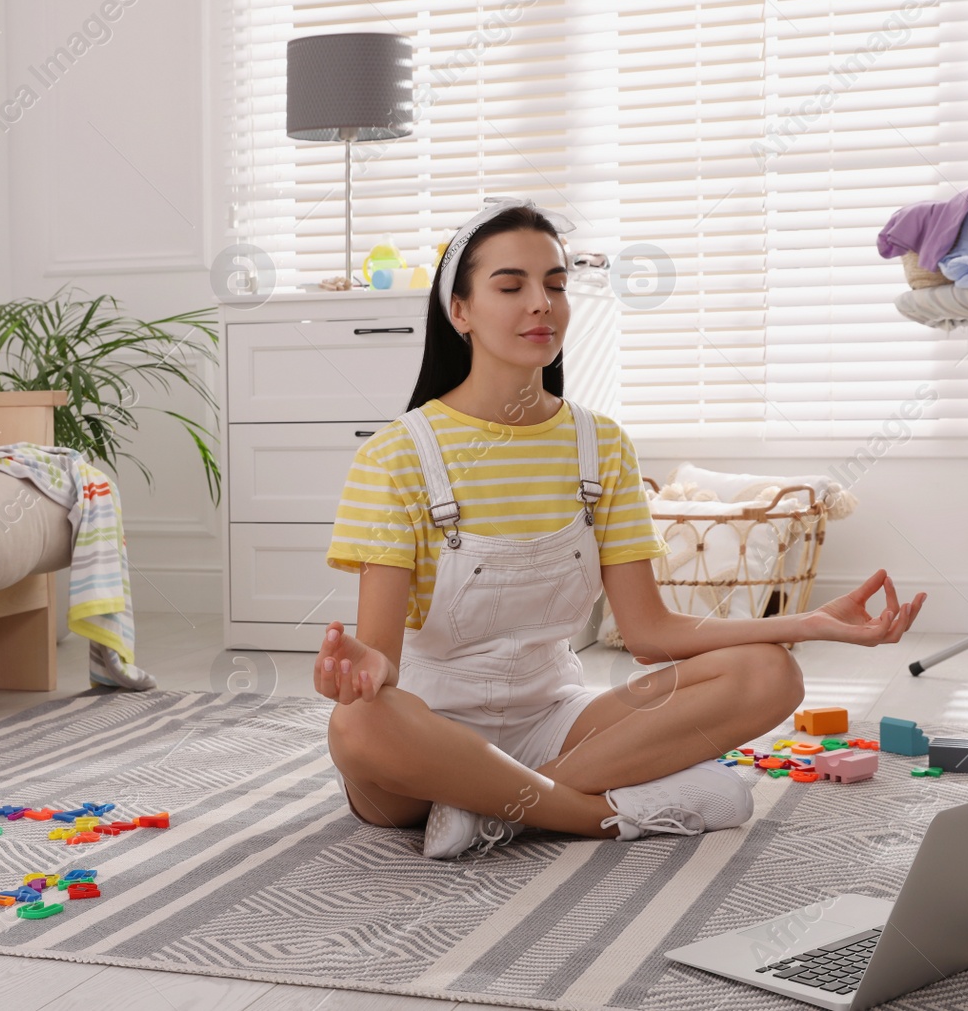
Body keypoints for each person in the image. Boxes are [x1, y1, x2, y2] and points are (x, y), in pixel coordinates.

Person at [318, 198, 926, 860]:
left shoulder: (600, 445)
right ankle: (591, 815)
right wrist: (360, 669)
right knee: (359, 724)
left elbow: (650, 633)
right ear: (458, 311)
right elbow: (382, 664)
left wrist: (806, 622)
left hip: (559, 722)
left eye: (555, 284)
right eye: (510, 285)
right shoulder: (396, 456)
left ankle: (498, 808)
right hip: (428, 736)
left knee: (770, 675)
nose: (541, 304)